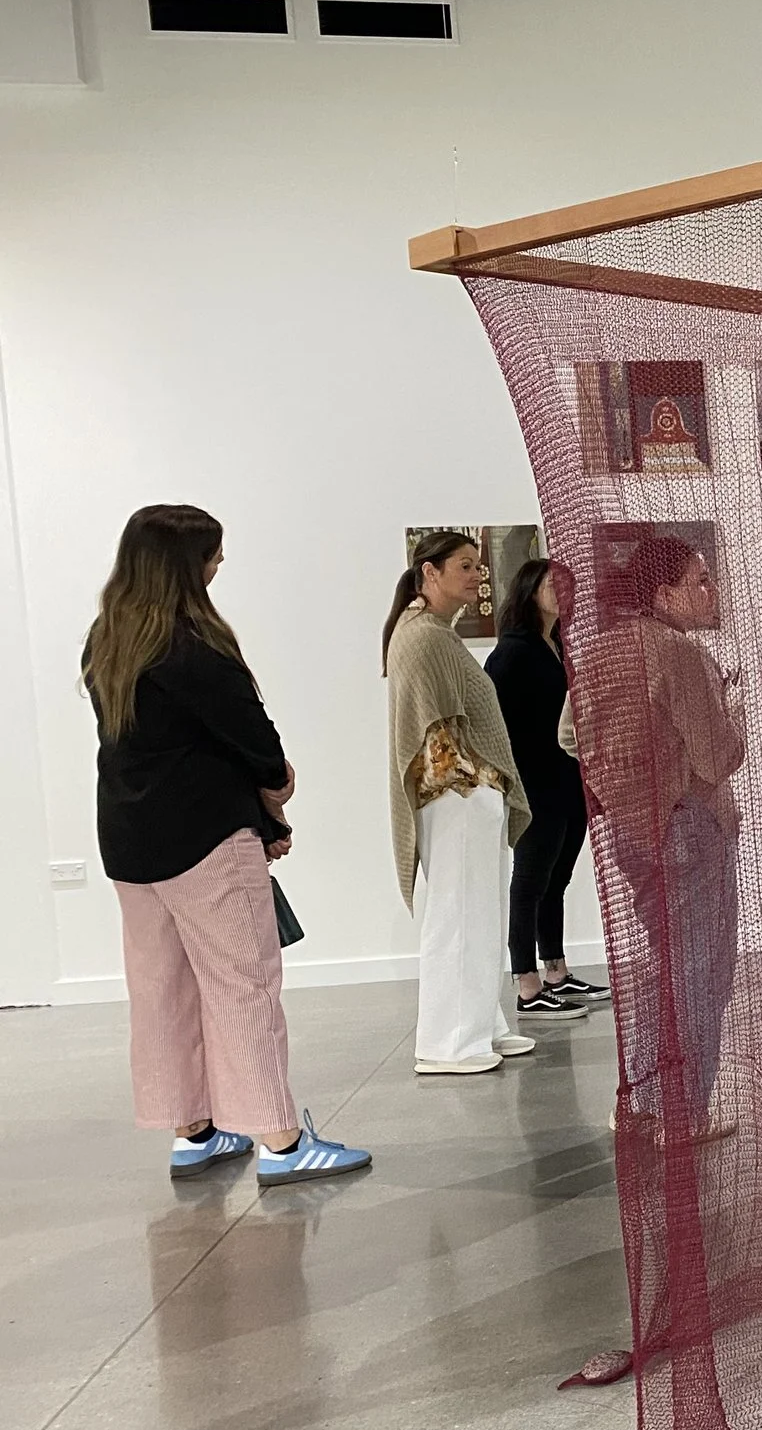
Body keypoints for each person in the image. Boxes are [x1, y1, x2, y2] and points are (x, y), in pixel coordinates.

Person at [87, 505, 369, 1182]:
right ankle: (282, 1143)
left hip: (128, 840)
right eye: (213, 554)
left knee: (161, 987)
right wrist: (275, 790)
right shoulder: (192, 645)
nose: (220, 563)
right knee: (245, 986)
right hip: (206, 837)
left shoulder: (108, 639)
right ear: (186, 566)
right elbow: (254, 737)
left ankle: (194, 1132)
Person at [579, 534, 745, 1136]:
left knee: (662, 969)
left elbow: (572, 736)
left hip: (631, 828)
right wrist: (734, 710)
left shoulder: (601, 651)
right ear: (664, 593)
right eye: (700, 580)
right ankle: (684, 1113)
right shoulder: (679, 653)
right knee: (699, 972)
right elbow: (717, 757)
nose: (712, 590)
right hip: (688, 825)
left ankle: (644, 1104)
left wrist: (621, 783)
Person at [386, 532, 537, 1075]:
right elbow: (435, 733)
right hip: (455, 799)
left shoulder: (435, 632)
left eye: (478, 566)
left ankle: (480, 1025)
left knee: (481, 913)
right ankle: (447, 1043)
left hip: (466, 799)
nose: (477, 575)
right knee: (458, 916)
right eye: (465, 566)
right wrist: (478, 784)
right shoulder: (423, 636)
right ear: (429, 572)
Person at [486, 556, 606, 1020]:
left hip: (568, 780)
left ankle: (556, 970)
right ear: (529, 591)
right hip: (535, 784)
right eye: (552, 584)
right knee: (530, 882)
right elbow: (497, 725)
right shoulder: (513, 652)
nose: (562, 591)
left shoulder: (558, 646)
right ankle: (526, 983)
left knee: (557, 879)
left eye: (567, 585)